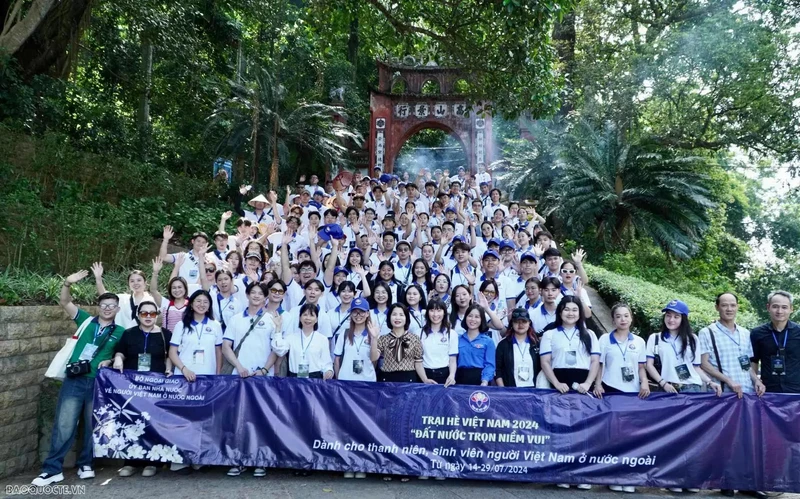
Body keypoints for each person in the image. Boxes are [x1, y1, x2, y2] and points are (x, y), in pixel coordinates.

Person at [33, 270, 125, 487]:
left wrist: (112, 360)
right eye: (104, 305)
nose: (108, 308)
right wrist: (67, 283)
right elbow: (64, 302)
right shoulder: (86, 320)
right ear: (98, 307)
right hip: (75, 379)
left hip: (98, 383)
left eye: (112, 305)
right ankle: (52, 469)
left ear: (117, 309)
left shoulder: (120, 331)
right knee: (64, 424)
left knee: (93, 425)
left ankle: (87, 463)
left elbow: (124, 352)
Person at [539, 296, 599, 490]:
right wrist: (556, 383)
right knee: (561, 432)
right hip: (559, 388)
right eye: (566, 309)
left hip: (582, 388)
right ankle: (562, 473)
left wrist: (589, 383)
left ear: (580, 313)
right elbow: (546, 362)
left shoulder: (589, 334)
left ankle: (582, 475)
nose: (570, 313)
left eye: (574, 309)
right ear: (560, 312)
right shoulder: (550, 334)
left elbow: (595, 361)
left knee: (583, 433)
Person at [222, 282, 280, 478]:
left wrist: (264, 369)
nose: (256, 296)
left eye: (260, 293)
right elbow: (226, 346)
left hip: (263, 377)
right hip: (239, 376)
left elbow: (276, 349)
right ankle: (238, 460)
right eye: (253, 292)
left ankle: (260, 460)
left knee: (262, 418)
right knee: (239, 418)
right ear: (247, 295)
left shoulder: (272, 319)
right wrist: (239, 367)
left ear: (266, 298)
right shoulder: (236, 319)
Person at [112, 300, 171, 478]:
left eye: (152, 313)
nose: (148, 316)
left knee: (153, 422)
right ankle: (130, 462)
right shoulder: (129, 334)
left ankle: (152, 463)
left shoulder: (165, 334)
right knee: (131, 421)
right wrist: (118, 359)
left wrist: (168, 369)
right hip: (132, 386)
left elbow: (170, 355)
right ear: (138, 315)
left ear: (157, 315)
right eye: (144, 313)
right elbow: (120, 351)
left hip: (155, 386)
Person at [699, 292, 766, 397]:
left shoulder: (745, 333)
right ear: (717, 307)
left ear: (737, 307)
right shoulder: (707, 332)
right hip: (722, 393)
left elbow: (746, 365)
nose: (729, 309)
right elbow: (704, 364)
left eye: (733, 305)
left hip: (747, 392)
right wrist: (728, 380)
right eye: (724, 305)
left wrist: (756, 380)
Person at [750, 291, 799, 394]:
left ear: (791, 309)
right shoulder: (757, 333)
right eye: (775, 306)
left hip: (796, 392)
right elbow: (753, 361)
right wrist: (755, 381)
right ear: (768, 307)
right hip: (767, 391)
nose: (779, 311)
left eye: (784, 307)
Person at [91, 263, 154, 329]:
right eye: (132, 281)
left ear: (145, 282)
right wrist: (98, 278)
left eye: (139, 280)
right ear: (129, 284)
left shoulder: (151, 301)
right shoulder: (122, 298)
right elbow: (104, 295)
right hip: (121, 336)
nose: (136, 283)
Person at [373, 303, 423, 383]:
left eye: (401, 315)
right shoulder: (383, 339)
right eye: (394, 314)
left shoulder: (415, 338)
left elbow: (418, 364)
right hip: (387, 380)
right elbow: (374, 358)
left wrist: (425, 380)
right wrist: (374, 338)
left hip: (409, 380)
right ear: (389, 317)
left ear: (406, 318)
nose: (397, 318)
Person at [416, 299, 458, 387]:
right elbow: (417, 361)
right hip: (424, 374)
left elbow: (452, 360)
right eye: (432, 310)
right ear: (427, 313)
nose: (435, 314)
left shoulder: (451, 334)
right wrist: (425, 379)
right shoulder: (418, 333)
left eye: (439, 310)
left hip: (444, 376)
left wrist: (451, 375)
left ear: (444, 313)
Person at [495, 308, 541, 388]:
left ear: (529, 323)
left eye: (524, 321)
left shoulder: (536, 344)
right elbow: (498, 370)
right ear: (512, 323)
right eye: (516, 322)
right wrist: (502, 391)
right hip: (510, 391)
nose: (520, 325)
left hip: (533, 392)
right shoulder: (503, 345)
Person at [456, 304, 496, 386]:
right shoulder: (458, 339)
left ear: (482, 320)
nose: (473, 319)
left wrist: (485, 381)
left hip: (480, 380)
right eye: (470, 316)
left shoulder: (488, 341)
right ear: (465, 317)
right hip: (460, 379)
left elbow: (490, 364)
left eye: (477, 317)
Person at [150, 257, 189, 332]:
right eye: (174, 288)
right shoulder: (166, 304)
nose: (177, 290)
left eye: (179, 287)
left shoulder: (191, 305)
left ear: (185, 288)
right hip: (168, 341)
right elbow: (153, 290)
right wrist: (155, 272)